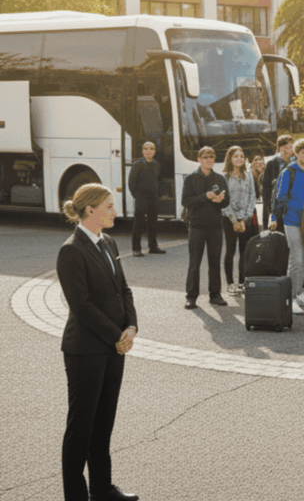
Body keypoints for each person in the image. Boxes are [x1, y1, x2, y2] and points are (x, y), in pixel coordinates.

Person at [56, 184, 140, 501]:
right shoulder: (71, 250)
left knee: (103, 425)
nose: (115, 211)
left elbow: (124, 290)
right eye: (109, 206)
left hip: (114, 347)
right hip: (85, 351)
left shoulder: (108, 241)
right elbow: (82, 307)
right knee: (81, 429)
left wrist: (131, 326)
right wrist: (116, 335)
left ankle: (102, 490)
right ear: (90, 211)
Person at [269, 138, 304, 316]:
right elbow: (279, 196)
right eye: (302, 152)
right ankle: (291, 298)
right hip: (292, 220)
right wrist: (275, 215)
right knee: (296, 259)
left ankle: (299, 293)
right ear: (296, 153)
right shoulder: (288, 172)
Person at [181, 146, 230, 309]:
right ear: (199, 159)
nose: (209, 160)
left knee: (214, 262)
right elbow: (186, 201)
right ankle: (191, 296)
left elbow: (226, 201)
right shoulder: (191, 178)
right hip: (197, 226)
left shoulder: (220, 178)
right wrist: (205, 197)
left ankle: (215, 294)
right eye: (206, 157)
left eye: (212, 157)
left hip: (215, 226)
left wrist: (221, 200)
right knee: (195, 263)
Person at [221, 146, 257, 297]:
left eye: (241, 156)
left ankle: (243, 282)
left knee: (245, 251)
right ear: (230, 158)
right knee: (230, 250)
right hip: (229, 219)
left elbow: (252, 196)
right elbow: (223, 201)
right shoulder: (224, 176)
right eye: (236, 156)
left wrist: (245, 218)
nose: (239, 159)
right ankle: (230, 283)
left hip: (245, 219)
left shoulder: (248, 175)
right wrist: (235, 220)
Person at [127, 141, 165, 257]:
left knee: (153, 223)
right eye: (146, 148)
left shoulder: (156, 164)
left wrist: (158, 194)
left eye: (151, 148)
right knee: (138, 223)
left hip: (153, 198)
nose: (149, 151)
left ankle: (153, 247)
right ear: (142, 151)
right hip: (141, 198)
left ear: (154, 151)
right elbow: (131, 183)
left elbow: (158, 181)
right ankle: (136, 248)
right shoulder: (137, 164)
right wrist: (137, 196)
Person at [261, 135, 294, 229]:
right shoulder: (272, 164)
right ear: (279, 148)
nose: (288, 150)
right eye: (286, 147)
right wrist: (268, 209)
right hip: (277, 206)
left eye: (291, 147)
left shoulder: (295, 163)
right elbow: (266, 189)